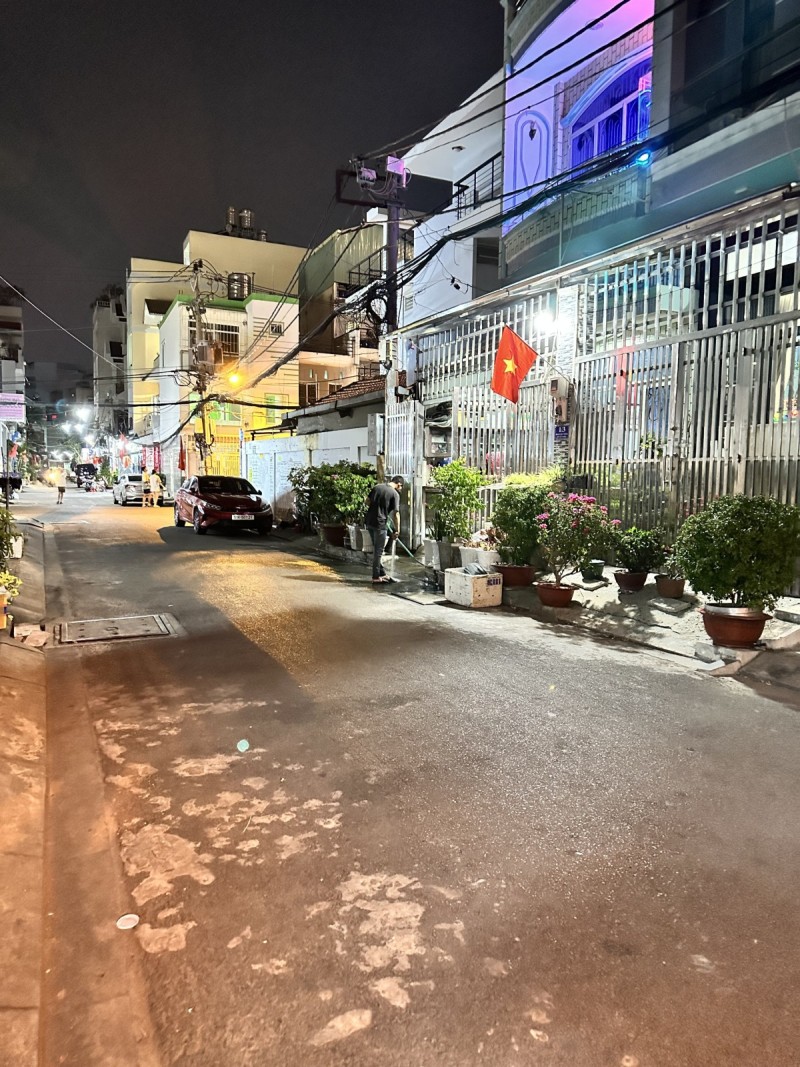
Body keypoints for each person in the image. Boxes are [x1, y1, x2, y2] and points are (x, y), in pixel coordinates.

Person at [364, 475, 403, 585]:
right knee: (378, 552)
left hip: (369, 522)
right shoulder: (395, 494)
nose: (401, 489)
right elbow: (396, 514)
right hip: (380, 524)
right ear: (399, 484)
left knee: (376, 549)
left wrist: (376, 507)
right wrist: (397, 530)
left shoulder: (377, 487)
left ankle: (382, 573)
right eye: (401, 487)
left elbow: (367, 501)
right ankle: (376, 577)